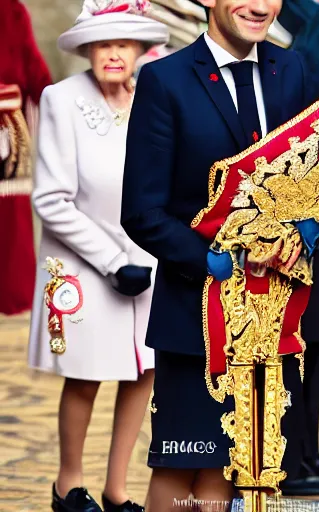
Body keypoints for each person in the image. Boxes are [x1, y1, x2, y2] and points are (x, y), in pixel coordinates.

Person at [121, 0, 319, 508]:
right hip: (194, 313)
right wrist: (212, 262)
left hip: (271, 322)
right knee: (181, 469)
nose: (261, 5)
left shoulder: (296, 71)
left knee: (234, 473)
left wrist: (307, 231)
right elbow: (142, 210)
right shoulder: (166, 79)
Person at [27, 2, 168, 511]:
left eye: (125, 42)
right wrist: (112, 262)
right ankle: (68, 485)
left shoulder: (154, 97)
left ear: (140, 50)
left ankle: (118, 489)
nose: (114, 52)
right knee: (86, 376)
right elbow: (50, 199)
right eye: (104, 41)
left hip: (149, 261)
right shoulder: (61, 100)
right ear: (87, 48)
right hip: (85, 266)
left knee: (144, 371)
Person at [0, 0, 52, 316]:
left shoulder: (11, 9)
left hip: (8, 127)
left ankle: (14, 294)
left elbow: (35, 72)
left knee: (11, 217)